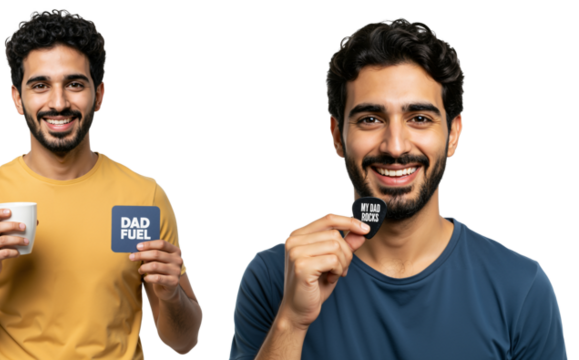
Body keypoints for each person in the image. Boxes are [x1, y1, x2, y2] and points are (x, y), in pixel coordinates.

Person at [228, 18, 568, 359]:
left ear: (453, 134)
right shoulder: (273, 277)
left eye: (419, 118)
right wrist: (291, 321)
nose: (394, 146)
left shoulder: (521, 287)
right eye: (370, 119)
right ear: (336, 136)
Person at [0, 9, 203, 359]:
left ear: (100, 95)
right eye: (40, 85)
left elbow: (184, 342)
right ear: (17, 98)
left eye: (74, 84)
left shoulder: (145, 197)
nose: (58, 103)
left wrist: (170, 294)